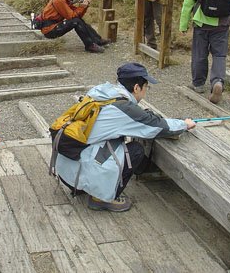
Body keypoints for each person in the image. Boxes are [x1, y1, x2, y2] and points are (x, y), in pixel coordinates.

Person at [53, 62, 196, 211]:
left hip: (66, 171)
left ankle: (88, 185)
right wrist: (184, 124)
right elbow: (157, 126)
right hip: (80, 171)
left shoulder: (103, 92)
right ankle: (101, 198)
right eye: (146, 86)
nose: (146, 90)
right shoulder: (124, 108)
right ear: (136, 87)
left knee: (116, 142)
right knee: (135, 150)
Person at [39, 0, 110, 53]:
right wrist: (82, 7)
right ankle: (89, 45)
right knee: (76, 22)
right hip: (49, 30)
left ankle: (97, 40)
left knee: (79, 20)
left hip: (54, 26)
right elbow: (71, 16)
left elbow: (78, 15)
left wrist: (84, 6)